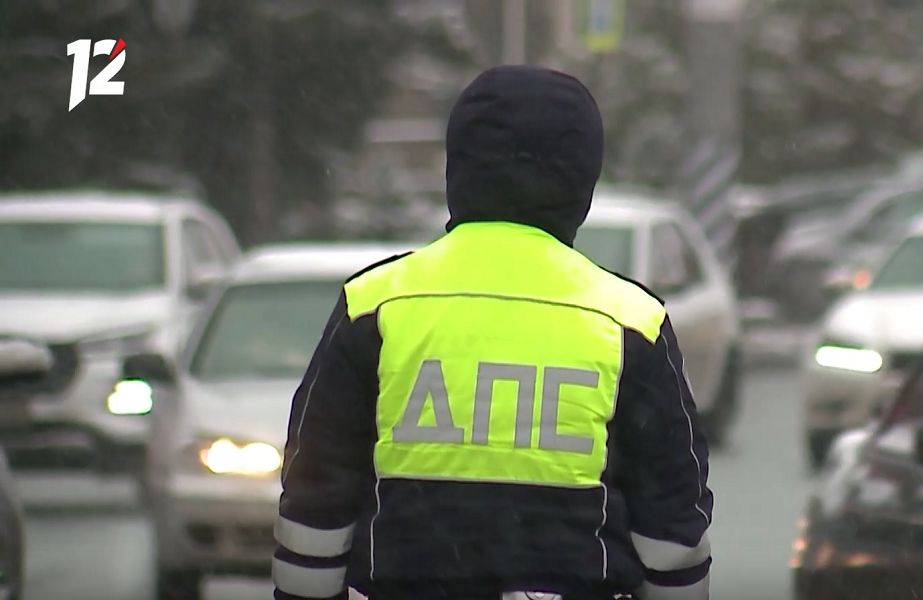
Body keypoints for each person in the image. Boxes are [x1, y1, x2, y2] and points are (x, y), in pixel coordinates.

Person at [272, 65, 714, 600]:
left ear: (458, 165)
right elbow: (672, 532)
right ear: (582, 178)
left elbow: (315, 507)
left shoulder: (375, 306)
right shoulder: (629, 323)